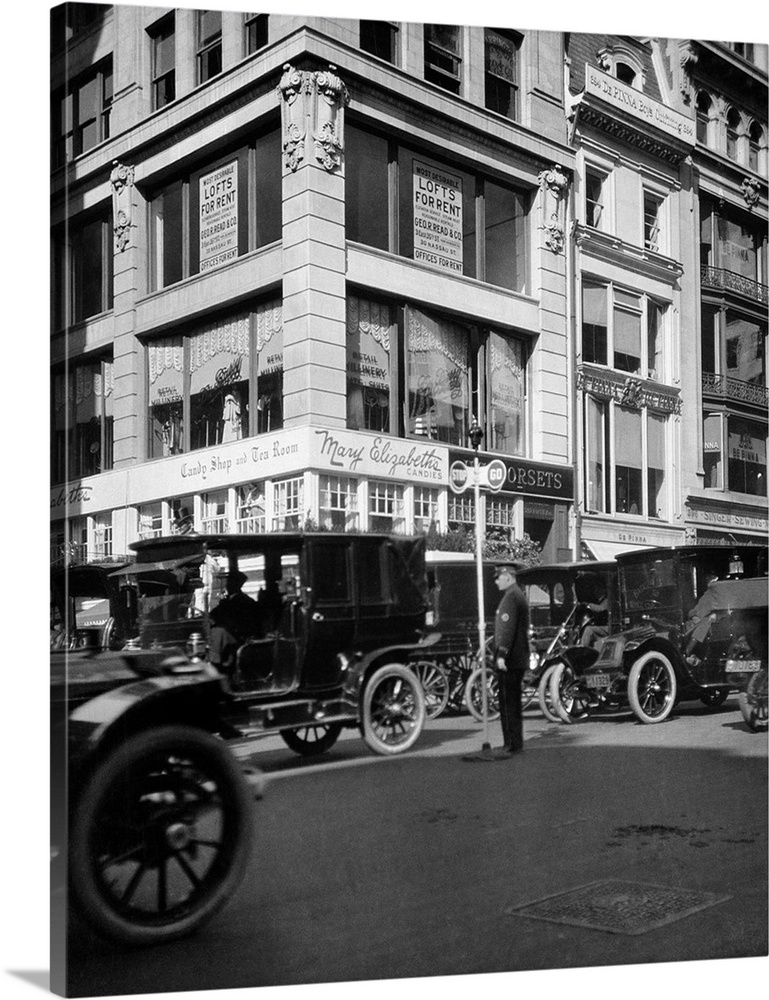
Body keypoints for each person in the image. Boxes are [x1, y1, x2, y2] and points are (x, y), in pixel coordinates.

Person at [492, 561, 531, 758]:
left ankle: (511, 744)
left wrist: (501, 655)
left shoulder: (511, 598)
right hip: (518, 658)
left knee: (507, 703)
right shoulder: (518, 596)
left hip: (510, 659)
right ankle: (515, 742)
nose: (497, 581)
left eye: (498, 577)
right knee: (513, 702)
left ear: (508, 576)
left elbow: (507, 631)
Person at [208, 571, 264, 677]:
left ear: (238, 584)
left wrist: (226, 624)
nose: (228, 585)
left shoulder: (246, 602)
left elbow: (246, 625)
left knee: (218, 632)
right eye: (228, 582)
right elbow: (213, 614)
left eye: (231, 582)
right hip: (228, 634)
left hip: (238, 637)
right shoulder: (225, 601)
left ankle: (215, 665)